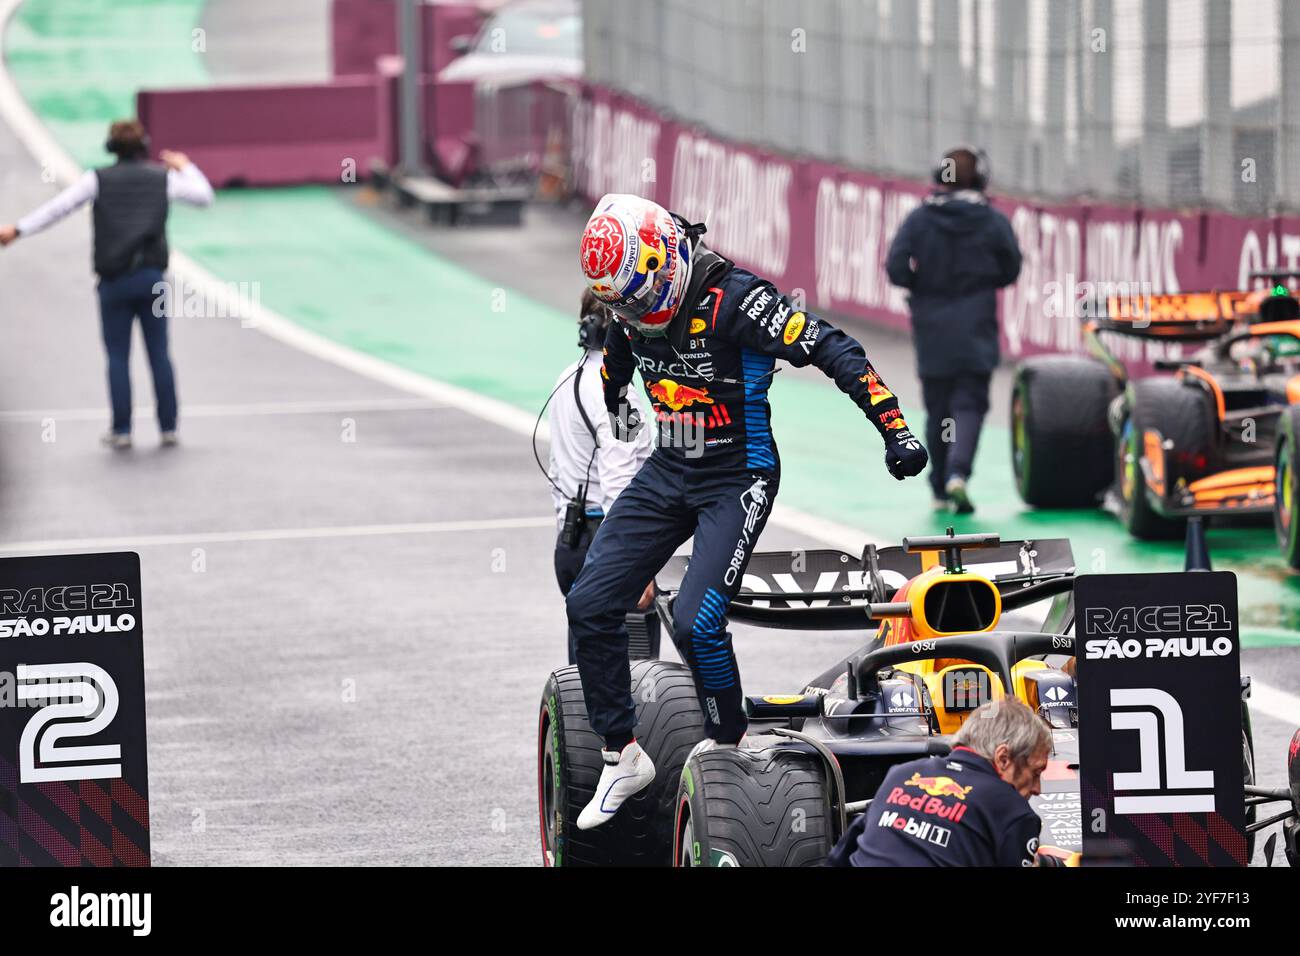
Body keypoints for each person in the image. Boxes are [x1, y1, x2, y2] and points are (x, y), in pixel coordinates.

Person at [568, 193, 929, 830]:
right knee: (590, 599)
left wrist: (894, 428)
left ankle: (725, 747)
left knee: (698, 621)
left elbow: (832, 346)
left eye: (638, 297)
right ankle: (620, 752)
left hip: (738, 477)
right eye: (620, 303)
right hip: (669, 469)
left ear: (667, 258)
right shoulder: (630, 302)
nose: (632, 312)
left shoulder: (738, 300)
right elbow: (618, 358)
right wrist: (618, 401)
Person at [0, 119, 215, 449]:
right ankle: (168, 427)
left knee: (118, 356)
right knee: (159, 352)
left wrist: (19, 229)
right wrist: (186, 166)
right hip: (151, 279)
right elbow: (204, 196)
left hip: (114, 281)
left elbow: (58, 208)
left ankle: (122, 430)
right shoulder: (164, 179)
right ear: (144, 145)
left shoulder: (96, 180)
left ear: (111, 148)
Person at [885, 145, 1021, 514]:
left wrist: (922, 286)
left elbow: (896, 267)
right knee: (970, 404)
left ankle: (939, 486)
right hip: (976, 324)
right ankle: (958, 474)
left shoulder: (920, 219)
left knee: (939, 408)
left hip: (932, 327)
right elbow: (1011, 268)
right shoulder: (992, 221)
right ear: (980, 178)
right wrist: (982, 281)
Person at [547, 290, 655, 663]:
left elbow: (557, 468)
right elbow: (618, 478)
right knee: (627, 680)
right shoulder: (618, 395)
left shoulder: (566, 379)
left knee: (584, 677)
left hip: (571, 541)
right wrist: (634, 564)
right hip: (606, 544)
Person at [825, 698, 1049, 867]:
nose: (1037, 789)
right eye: (1036, 772)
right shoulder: (1013, 813)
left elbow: (838, 858)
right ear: (1003, 758)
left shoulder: (901, 774)